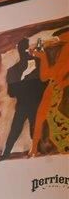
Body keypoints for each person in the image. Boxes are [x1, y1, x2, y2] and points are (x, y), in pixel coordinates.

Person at [1, 38, 46, 159]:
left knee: (34, 129)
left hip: (35, 103)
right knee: (16, 129)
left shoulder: (39, 62)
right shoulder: (12, 70)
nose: (24, 51)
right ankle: (6, 153)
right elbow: (11, 93)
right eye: (23, 48)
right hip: (24, 104)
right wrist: (25, 79)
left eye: (25, 48)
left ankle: (38, 151)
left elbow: (44, 83)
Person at [29, 28, 69, 157]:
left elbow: (52, 75)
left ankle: (34, 148)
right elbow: (45, 76)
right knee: (41, 116)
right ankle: (34, 148)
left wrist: (43, 52)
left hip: (60, 89)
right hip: (54, 88)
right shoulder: (61, 50)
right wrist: (42, 56)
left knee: (46, 116)